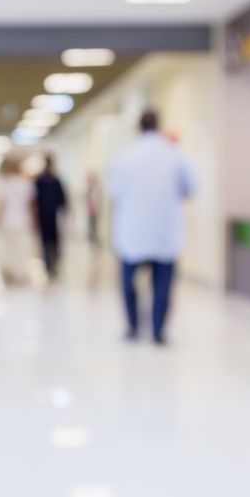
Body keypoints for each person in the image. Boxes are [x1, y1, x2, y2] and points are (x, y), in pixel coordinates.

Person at [108, 110, 197, 345]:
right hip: (165, 232)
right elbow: (191, 188)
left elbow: (114, 192)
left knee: (128, 283)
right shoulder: (174, 155)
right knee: (162, 285)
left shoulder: (125, 156)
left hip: (132, 232)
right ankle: (158, 330)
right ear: (158, 126)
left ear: (138, 128)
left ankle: (134, 325)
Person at [0, 157, 35, 283]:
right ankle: (20, 271)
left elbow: (2, 204)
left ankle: (10, 271)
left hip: (9, 219)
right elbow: (30, 204)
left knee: (9, 246)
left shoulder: (6, 183)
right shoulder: (26, 183)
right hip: (22, 218)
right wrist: (33, 218)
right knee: (21, 246)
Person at [34, 155, 68, 278]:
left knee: (53, 240)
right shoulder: (41, 181)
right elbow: (35, 200)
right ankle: (48, 263)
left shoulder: (54, 180)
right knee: (47, 240)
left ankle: (53, 262)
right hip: (45, 216)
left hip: (52, 216)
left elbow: (62, 199)